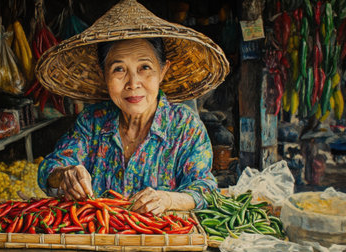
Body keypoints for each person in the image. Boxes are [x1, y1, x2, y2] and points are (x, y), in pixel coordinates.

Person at [36, 0, 229, 215]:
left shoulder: (185, 127)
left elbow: (205, 189)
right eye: (119, 69)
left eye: (144, 67)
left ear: (163, 71)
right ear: (104, 75)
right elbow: (49, 168)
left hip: (160, 243)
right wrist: (65, 174)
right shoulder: (92, 121)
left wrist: (168, 199)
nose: (133, 83)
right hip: (99, 241)